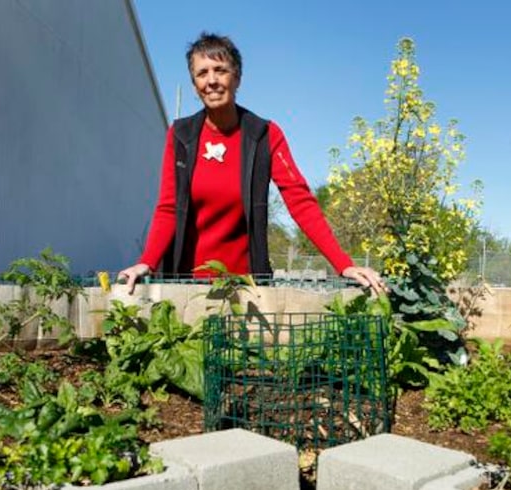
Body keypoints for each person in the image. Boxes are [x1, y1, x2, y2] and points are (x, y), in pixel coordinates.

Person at [119, 32, 386, 295]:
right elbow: (169, 207)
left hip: (246, 289)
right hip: (185, 286)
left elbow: (300, 202)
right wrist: (147, 261)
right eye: (202, 73)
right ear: (194, 85)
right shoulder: (180, 135)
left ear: (237, 78)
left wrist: (344, 264)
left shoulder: (265, 135)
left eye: (220, 70)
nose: (211, 80)